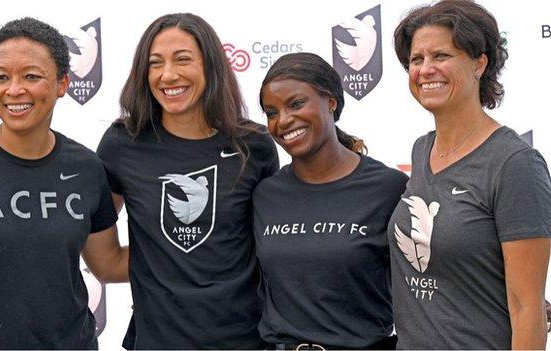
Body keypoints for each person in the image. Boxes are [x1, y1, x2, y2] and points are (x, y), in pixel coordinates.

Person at [0, 17, 128, 349]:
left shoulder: (87, 168)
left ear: (62, 84)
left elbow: (109, 264)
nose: (14, 89)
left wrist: (206, 257)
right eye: (1, 77)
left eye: (31, 76)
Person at [96, 12, 279, 349]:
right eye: (155, 63)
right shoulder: (123, 143)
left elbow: (271, 250)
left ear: (211, 66)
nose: (168, 75)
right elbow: (105, 263)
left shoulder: (254, 146)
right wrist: (160, 268)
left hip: (245, 341)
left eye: (183, 60)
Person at [389, 0, 551, 349]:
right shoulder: (421, 150)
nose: (426, 69)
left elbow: (527, 308)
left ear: (480, 63)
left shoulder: (514, 163)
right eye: (417, 60)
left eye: (441, 56)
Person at [252, 52, 407, 349]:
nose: (283, 121)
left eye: (296, 104)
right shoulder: (264, 195)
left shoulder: (389, 188)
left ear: (331, 101)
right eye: (271, 112)